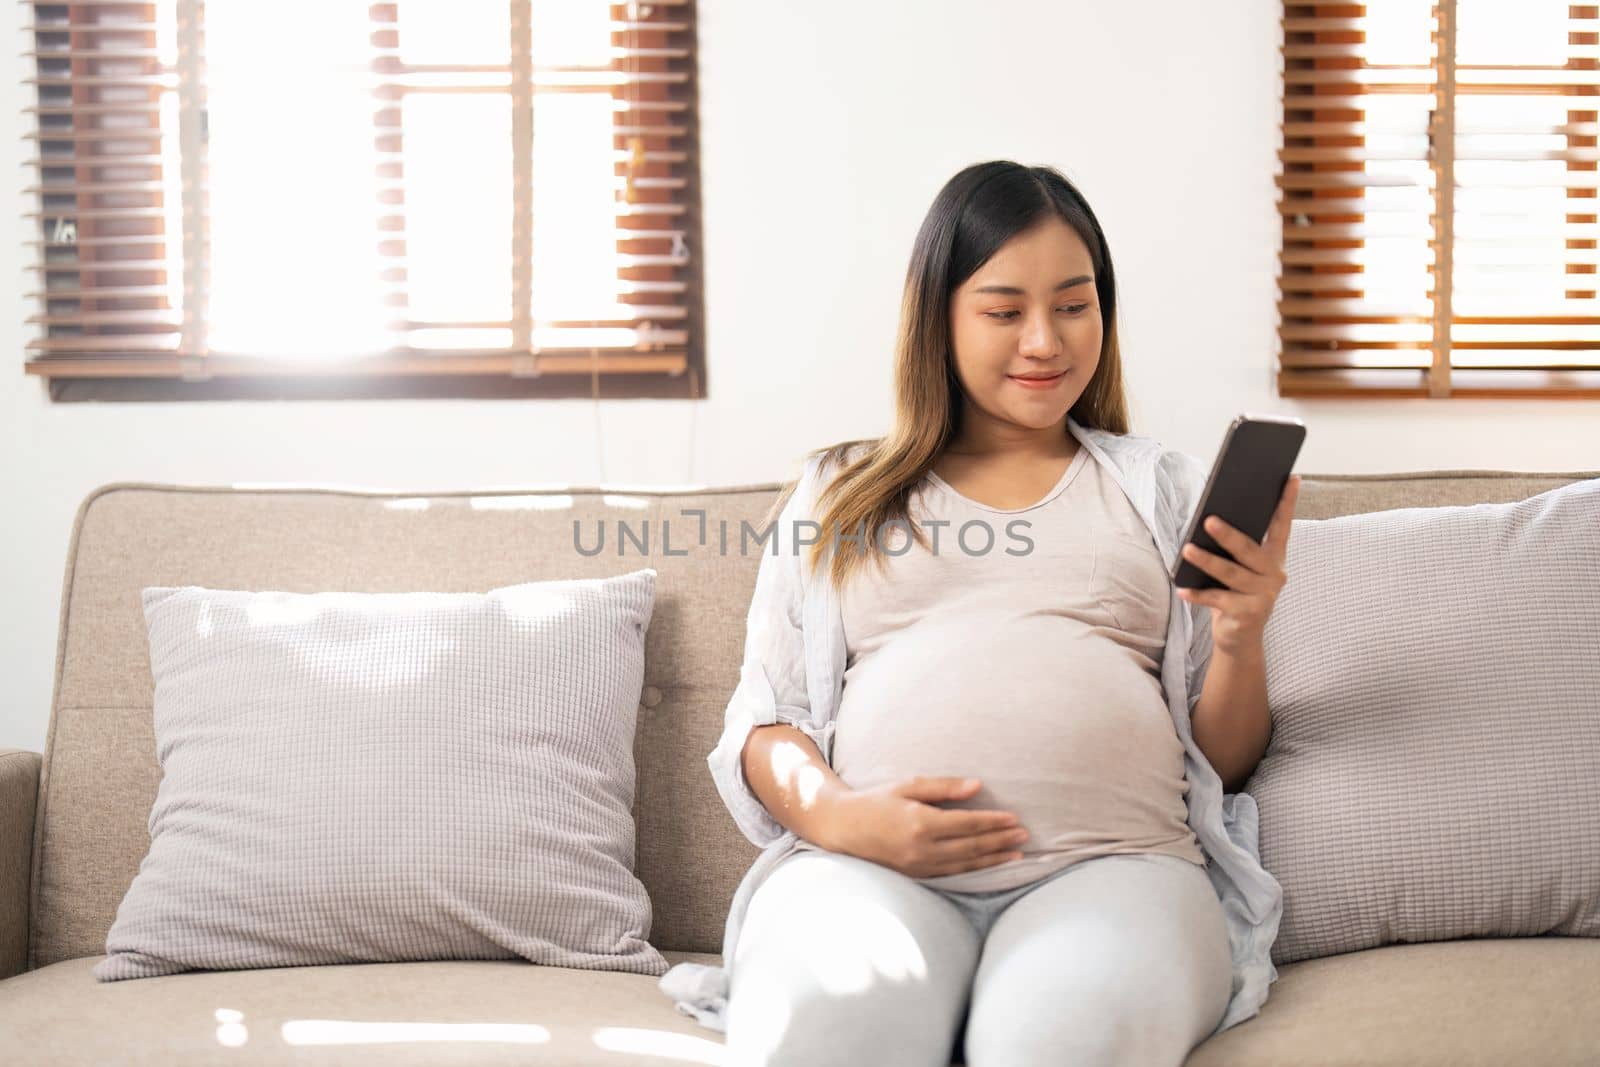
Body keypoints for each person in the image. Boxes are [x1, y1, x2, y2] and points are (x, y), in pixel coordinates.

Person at [657, 160, 1300, 1066]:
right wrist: (845, 818)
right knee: (831, 1028)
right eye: (1004, 311)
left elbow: (1221, 760)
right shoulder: (840, 491)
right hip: (864, 873)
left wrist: (1240, 636)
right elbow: (768, 720)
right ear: (939, 319)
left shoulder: (1159, 488)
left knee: (1056, 1040)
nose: (1045, 340)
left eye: (1074, 306)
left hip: (1118, 871)